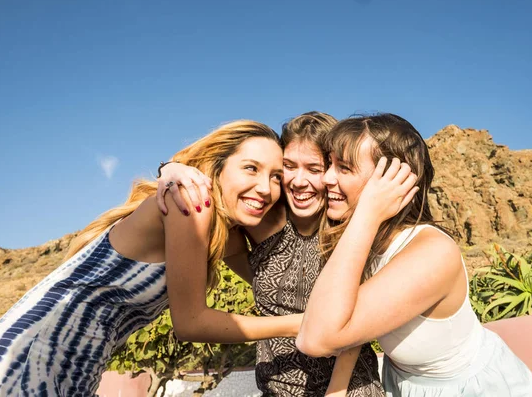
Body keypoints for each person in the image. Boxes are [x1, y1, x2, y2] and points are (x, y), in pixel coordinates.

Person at [0, 120, 303, 397]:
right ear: (218, 166)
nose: (265, 187)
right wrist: (297, 325)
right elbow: (191, 323)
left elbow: (274, 285)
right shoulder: (190, 203)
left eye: (277, 177)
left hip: (80, 358)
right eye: (251, 168)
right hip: (33, 349)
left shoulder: (223, 234)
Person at [296, 114, 532, 396]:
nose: (326, 178)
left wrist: (368, 211)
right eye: (330, 164)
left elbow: (314, 340)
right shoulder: (367, 241)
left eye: (344, 168)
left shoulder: (432, 253)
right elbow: (345, 318)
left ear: (392, 179)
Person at [157, 112, 384, 396]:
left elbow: (354, 324)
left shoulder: (347, 227)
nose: (299, 181)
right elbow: (219, 181)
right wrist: (170, 168)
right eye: (289, 166)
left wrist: (336, 391)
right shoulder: (261, 215)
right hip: (275, 388)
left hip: (345, 389)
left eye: (313, 169)